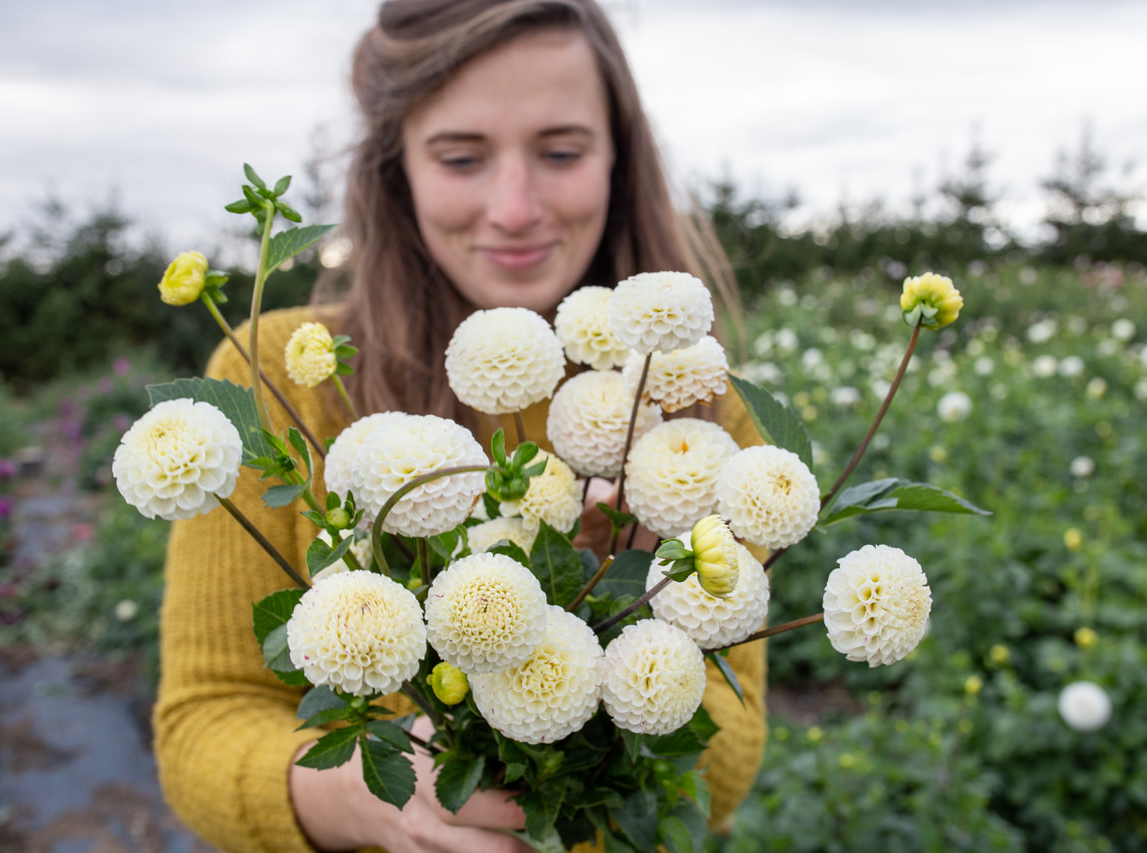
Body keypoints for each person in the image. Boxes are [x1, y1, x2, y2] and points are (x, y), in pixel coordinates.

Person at [153, 1, 767, 851]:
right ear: (395, 167)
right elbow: (203, 719)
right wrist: (365, 797)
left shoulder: (693, 403)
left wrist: (627, 588)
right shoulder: (276, 377)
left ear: (620, 160)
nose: (514, 208)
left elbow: (728, 748)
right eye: (461, 156)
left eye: (560, 151)